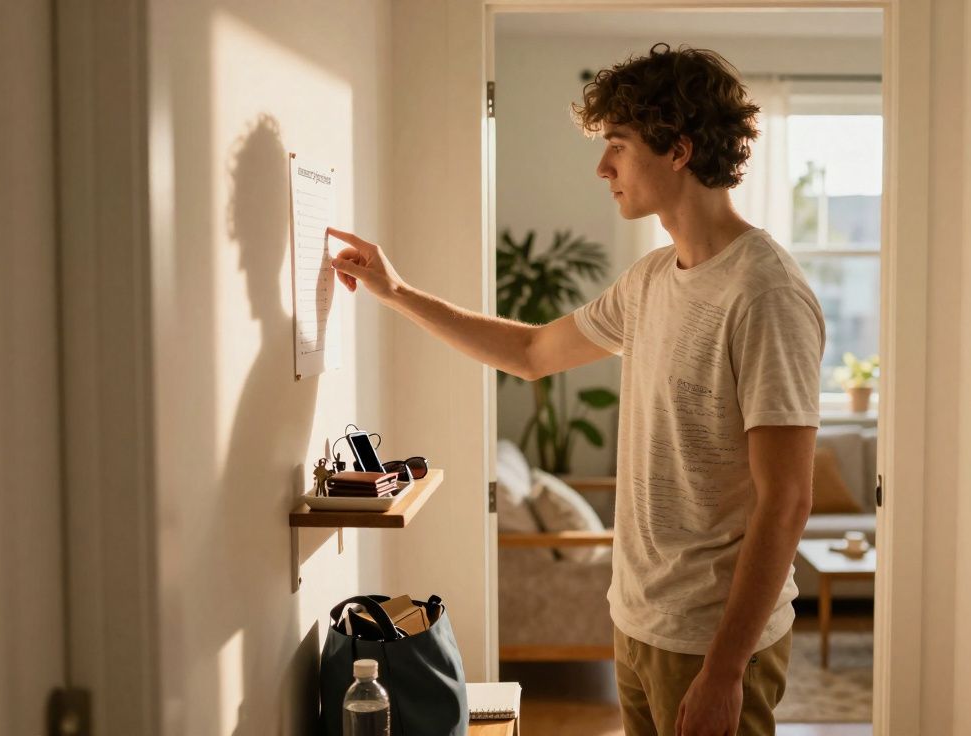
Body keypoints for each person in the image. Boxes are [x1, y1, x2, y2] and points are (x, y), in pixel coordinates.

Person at [327, 42, 824, 736]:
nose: (603, 167)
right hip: (637, 622)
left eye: (618, 145)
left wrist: (725, 668)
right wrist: (397, 292)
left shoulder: (765, 292)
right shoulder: (650, 280)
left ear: (678, 150)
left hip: (711, 642)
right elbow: (532, 352)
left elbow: (787, 500)